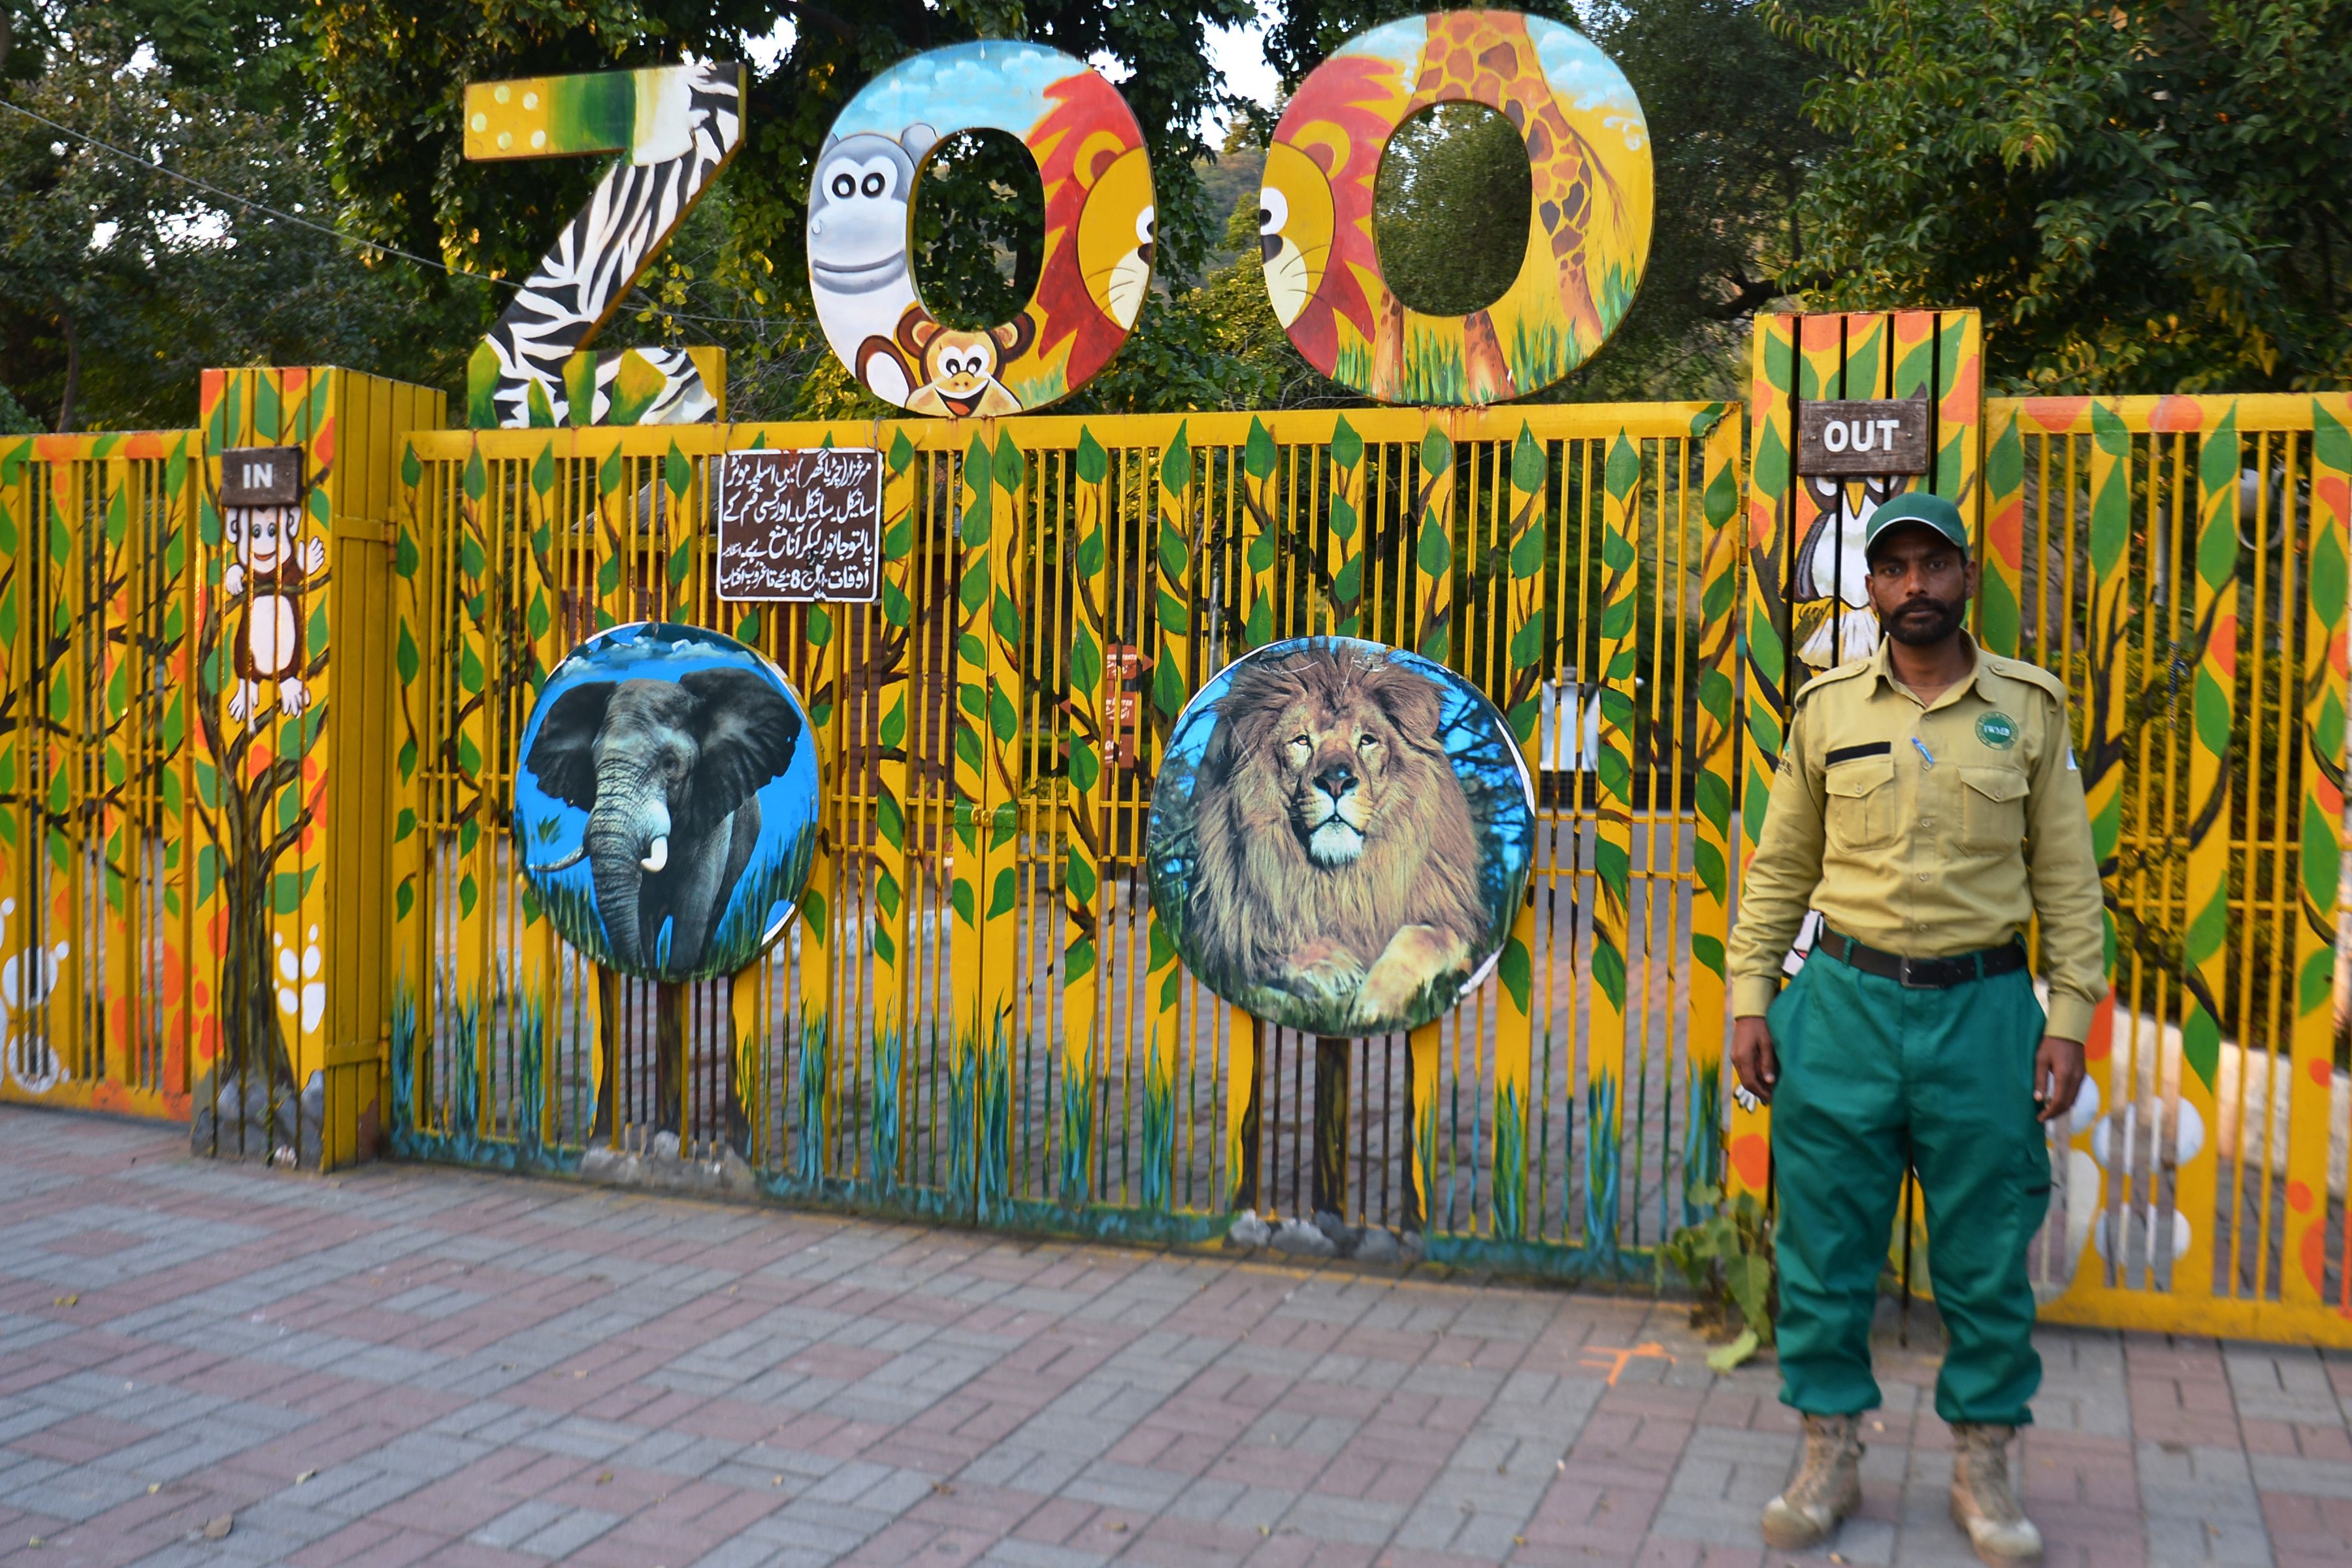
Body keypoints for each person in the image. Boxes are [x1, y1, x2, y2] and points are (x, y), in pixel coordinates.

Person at [1727, 491, 2104, 1567]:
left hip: (1983, 1012)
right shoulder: (1828, 712)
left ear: (1963, 577)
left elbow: (2068, 882)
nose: (1914, 587)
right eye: (1893, 569)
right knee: (1824, 1248)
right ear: (1874, 587)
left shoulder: (2029, 712)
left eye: (1931, 565)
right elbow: (1780, 870)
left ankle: (1985, 1465)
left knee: (1986, 1252)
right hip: (1840, 1007)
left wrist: (2066, 1018)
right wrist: (1754, 998)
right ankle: (1828, 1452)